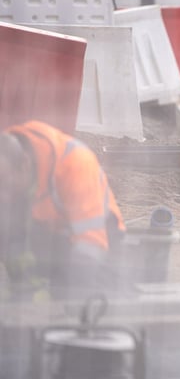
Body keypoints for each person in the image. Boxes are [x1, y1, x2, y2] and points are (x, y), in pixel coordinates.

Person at [0, 120, 126, 300]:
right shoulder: (10, 160)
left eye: (5, 184)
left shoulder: (75, 164)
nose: (2, 196)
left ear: (25, 164)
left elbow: (89, 247)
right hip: (51, 234)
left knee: (97, 298)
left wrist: (64, 303)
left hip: (100, 243)